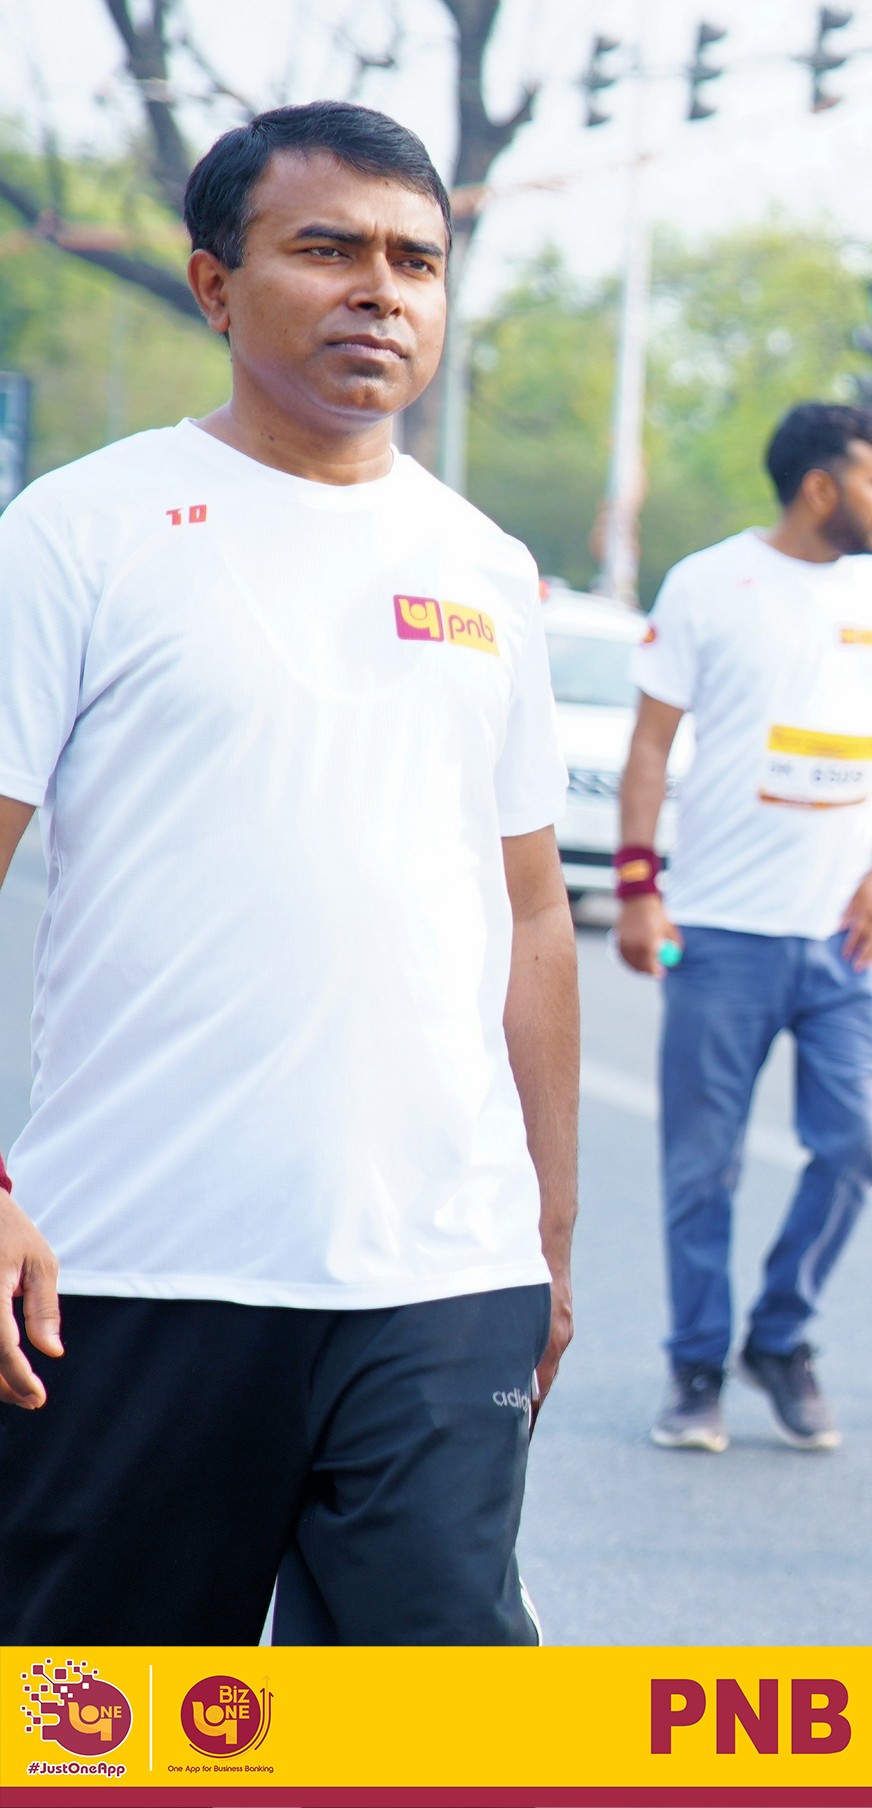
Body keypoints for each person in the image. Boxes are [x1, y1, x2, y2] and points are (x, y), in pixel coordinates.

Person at [0, 103, 575, 1642]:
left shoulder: (485, 568)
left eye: (416, 261)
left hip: (440, 1274)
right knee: (102, 1726)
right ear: (214, 284)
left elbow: (532, 918)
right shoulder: (80, 533)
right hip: (135, 1266)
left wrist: (549, 1240)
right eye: (328, 250)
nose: (379, 291)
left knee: (443, 1727)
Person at [615, 403, 872, 1454]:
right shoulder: (707, 584)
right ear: (820, 486)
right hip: (720, 930)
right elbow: (651, 747)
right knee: (701, 1167)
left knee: (857, 1139)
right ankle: (696, 1366)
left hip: (847, 936)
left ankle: (781, 1334)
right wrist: (639, 887)